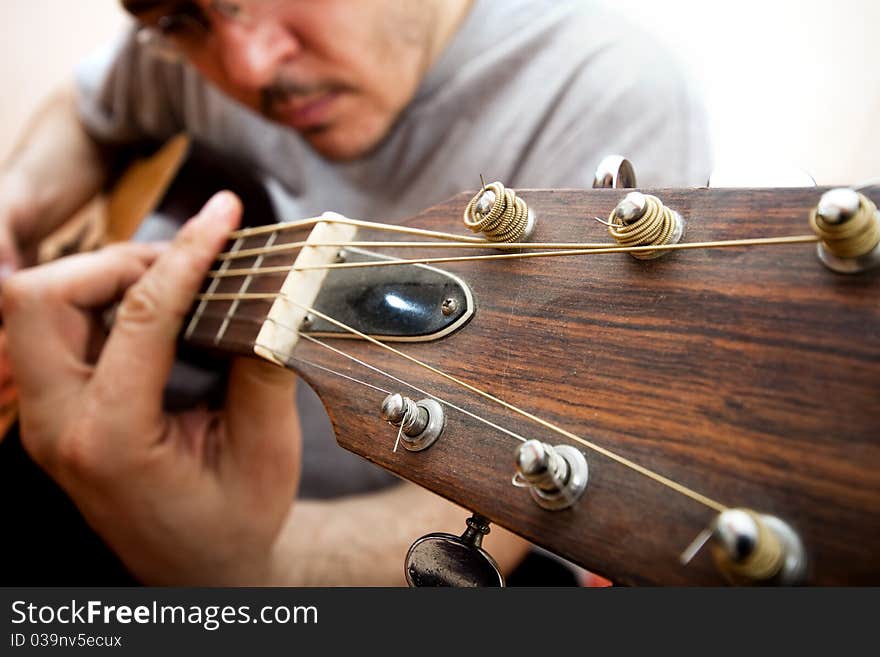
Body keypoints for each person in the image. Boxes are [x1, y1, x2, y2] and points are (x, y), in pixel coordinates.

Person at [0, 0, 710, 585]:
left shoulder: (602, 93)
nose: (249, 67)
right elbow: (88, 108)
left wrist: (251, 571)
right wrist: (14, 208)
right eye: (181, 20)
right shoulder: (187, 53)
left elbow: (525, 497)